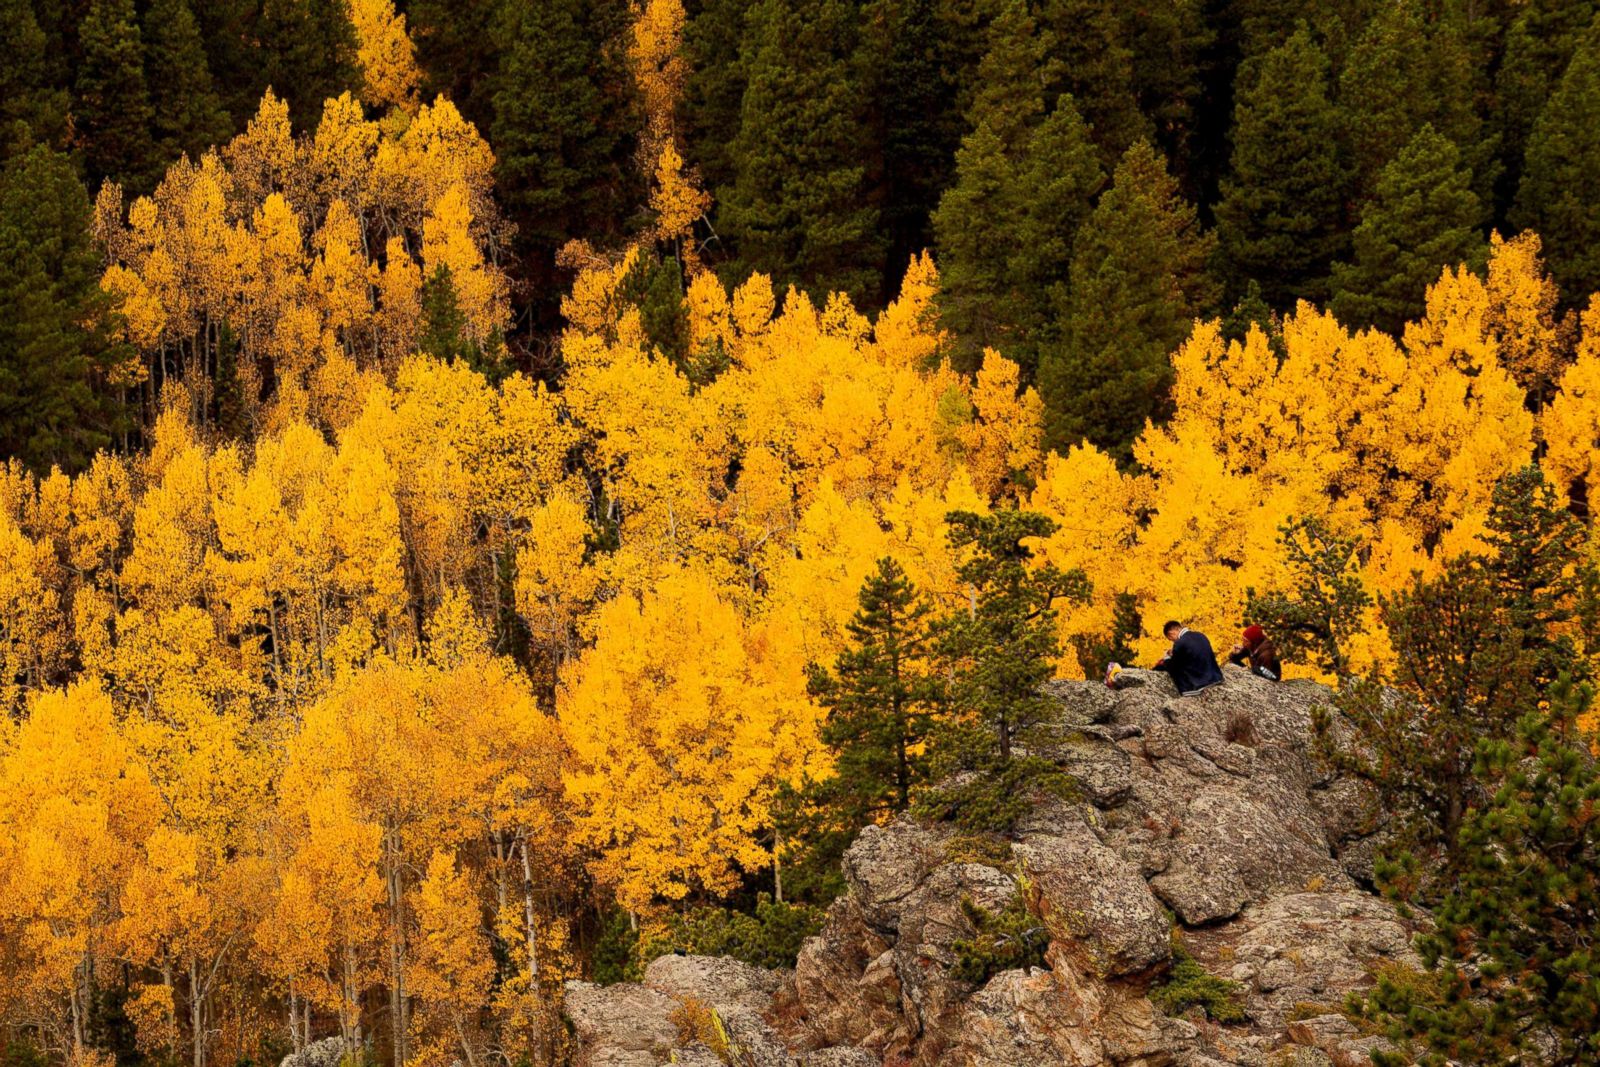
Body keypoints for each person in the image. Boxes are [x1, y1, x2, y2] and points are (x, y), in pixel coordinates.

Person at [1152, 620, 1224, 695]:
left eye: (1171, 639)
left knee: (1166, 666)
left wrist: (1166, 658)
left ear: (1171, 633)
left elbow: (1174, 665)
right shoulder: (1200, 635)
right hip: (1215, 677)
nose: (1173, 641)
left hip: (1200, 682)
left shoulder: (1180, 643)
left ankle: (1189, 690)